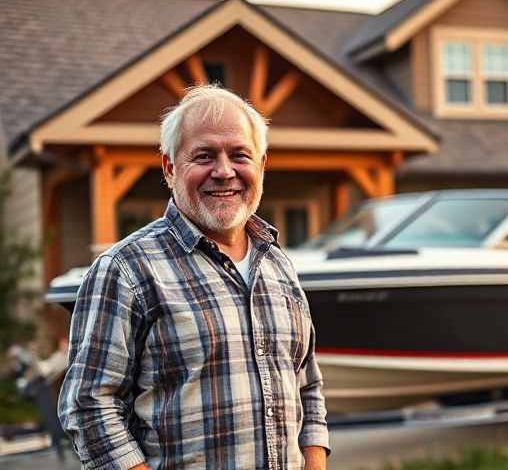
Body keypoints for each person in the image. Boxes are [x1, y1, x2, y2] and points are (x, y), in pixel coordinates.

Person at [58, 86, 329, 469]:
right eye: (204, 156)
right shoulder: (126, 269)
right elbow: (90, 407)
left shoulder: (277, 264)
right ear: (170, 168)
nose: (224, 171)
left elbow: (308, 385)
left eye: (239, 155)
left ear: (262, 165)